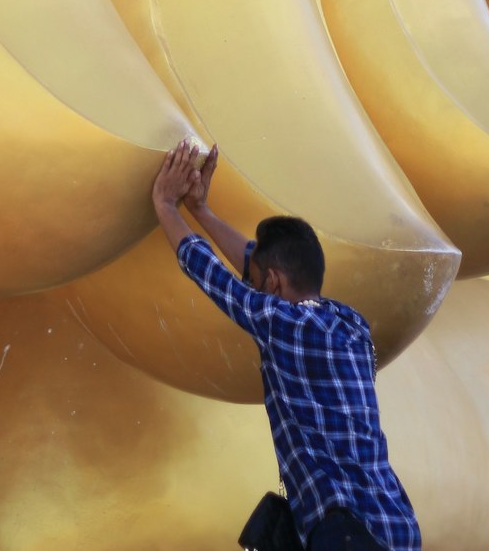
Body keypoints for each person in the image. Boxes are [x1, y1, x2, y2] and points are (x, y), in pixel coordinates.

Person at [151, 141, 422, 551]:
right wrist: (202, 211)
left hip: (349, 535)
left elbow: (207, 270)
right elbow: (252, 262)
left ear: (274, 282)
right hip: (394, 526)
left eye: (259, 282)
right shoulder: (350, 324)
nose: (252, 284)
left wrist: (166, 205)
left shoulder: (282, 323)